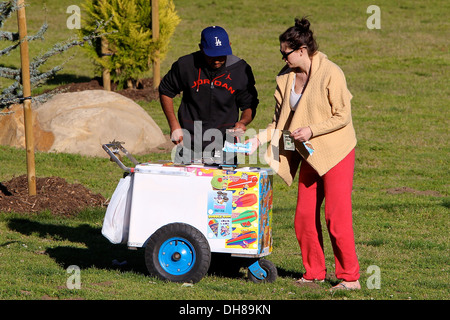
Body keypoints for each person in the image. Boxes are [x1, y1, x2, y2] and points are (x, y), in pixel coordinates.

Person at [247, 17, 360, 290]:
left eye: (285, 52)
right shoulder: (285, 78)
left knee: (335, 216)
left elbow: (343, 115)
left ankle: (350, 278)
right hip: (308, 154)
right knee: (304, 216)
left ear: (301, 50)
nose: (282, 57)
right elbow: (279, 121)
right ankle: (314, 274)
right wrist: (256, 141)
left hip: (336, 152)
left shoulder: (331, 72)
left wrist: (312, 130)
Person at [159, 26, 259, 163]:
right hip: (190, 140)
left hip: (225, 143)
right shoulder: (186, 65)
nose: (217, 60)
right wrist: (174, 125)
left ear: (229, 46)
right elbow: (165, 91)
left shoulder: (240, 69)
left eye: (221, 55)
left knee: (220, 184)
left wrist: (243, 122)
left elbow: (249, 104)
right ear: (201, 48)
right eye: (211, 56)